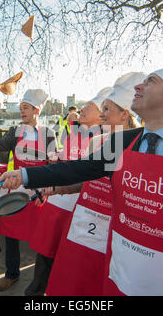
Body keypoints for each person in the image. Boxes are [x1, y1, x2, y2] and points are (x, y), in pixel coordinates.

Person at [0, 56, 163, 296]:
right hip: (123, 272)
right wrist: (25, 175)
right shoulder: (120, 142)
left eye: (150, 81)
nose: (139, 86)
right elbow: (77, 168)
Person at [44, 72, 144, 296]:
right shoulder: (97, 142)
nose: (102, 114)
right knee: (74, 280)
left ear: (124, 114)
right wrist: (57, 188)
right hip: (84, 219)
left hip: (114, 226)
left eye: (107, 109)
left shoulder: (138, 148)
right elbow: (84, 180)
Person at [26, 85, 114, 296]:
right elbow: (62, 165)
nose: (82, 109)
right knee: (45, 253)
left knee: (68, 259)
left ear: (101, 114)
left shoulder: (107, 141)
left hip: (82, 207)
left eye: (89, 106)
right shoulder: (72, 133)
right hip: (57, 203)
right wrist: (46, 191)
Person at [0, 88, 56, 293]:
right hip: (17, 187)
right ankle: (11, 274)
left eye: (26, 108)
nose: (22, 111)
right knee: (11, 233)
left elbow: (53, 165)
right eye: (21, 108)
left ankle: (40, 282)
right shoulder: (15, 131)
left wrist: (47, 190)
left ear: (36, 110)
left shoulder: (49, 134)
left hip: (39, 191)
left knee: (41, 237)